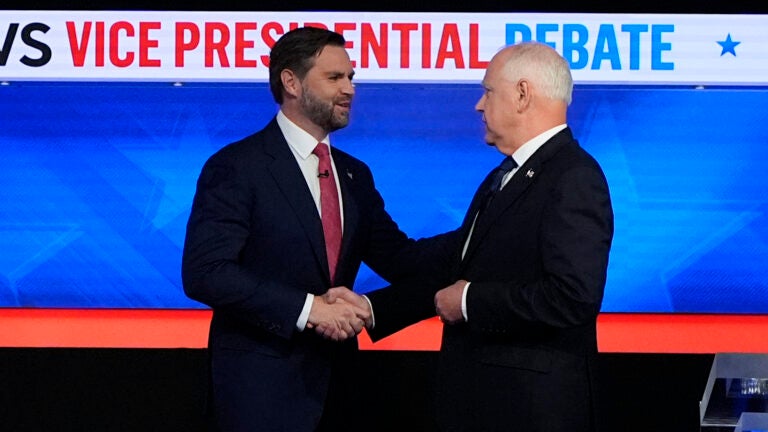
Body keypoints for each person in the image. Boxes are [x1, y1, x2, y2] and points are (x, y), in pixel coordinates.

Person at [333, 41, 614, 431]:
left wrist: (469, 301)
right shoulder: (504, 176)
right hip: (487, 402)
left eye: (487, 91)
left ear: (521, 94)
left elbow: (572, 299)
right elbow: (457, 264)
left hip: (532, 410)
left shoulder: (573, 177)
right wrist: (371, 308)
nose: (478, 106)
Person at [181, 27, 418, 432]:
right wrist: (310, 311)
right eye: (334, 78)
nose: (349, 89)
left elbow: (401, 259)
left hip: (341, 391)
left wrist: (478, 236)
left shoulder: (354, 174)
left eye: (351, 78)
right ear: (291, 81)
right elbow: (206, 272)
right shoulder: (238, 166)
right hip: (261, 396)